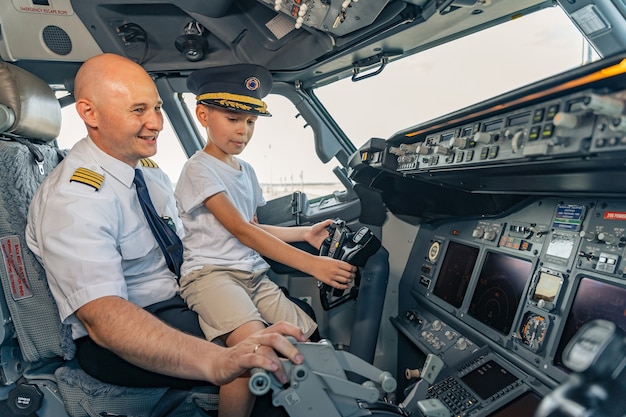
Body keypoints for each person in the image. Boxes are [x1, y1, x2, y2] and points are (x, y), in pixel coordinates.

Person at [25, 53, 306, 416]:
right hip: (123, 333)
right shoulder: (73, 197)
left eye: (157, 108)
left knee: (293, 333)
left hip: (177, 299)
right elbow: (104, 318)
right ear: (89, 114)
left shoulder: (149, 173)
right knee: (273, 374)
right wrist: (217, 361)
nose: (156, 123)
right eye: (138, 110)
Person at [174, 64, 358, 417]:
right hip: (211, 275)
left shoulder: (247, 171)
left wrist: (303, 233)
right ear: (202, 115)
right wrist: (312, 263)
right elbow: (241, 231)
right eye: (232, 118)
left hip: (252, 275)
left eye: (251, 122)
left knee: (308, 341)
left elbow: (254, 226)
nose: (243, 131)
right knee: (251, 351)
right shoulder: (199, 169)